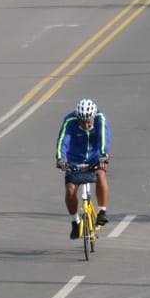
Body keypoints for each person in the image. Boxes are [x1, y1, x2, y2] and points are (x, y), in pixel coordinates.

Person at [56, 98, 110, 238]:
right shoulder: (70, 120)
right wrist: (61, 158)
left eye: (89, 122)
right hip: (75, 159)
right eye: (83, 122)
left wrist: (104, 154)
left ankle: (102, 211)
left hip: (95, 157)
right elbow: (63, 140)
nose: (86, 125)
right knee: (70, 191)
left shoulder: (100, 118)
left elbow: (104, 137)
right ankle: (75, 222)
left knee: (100, 175)